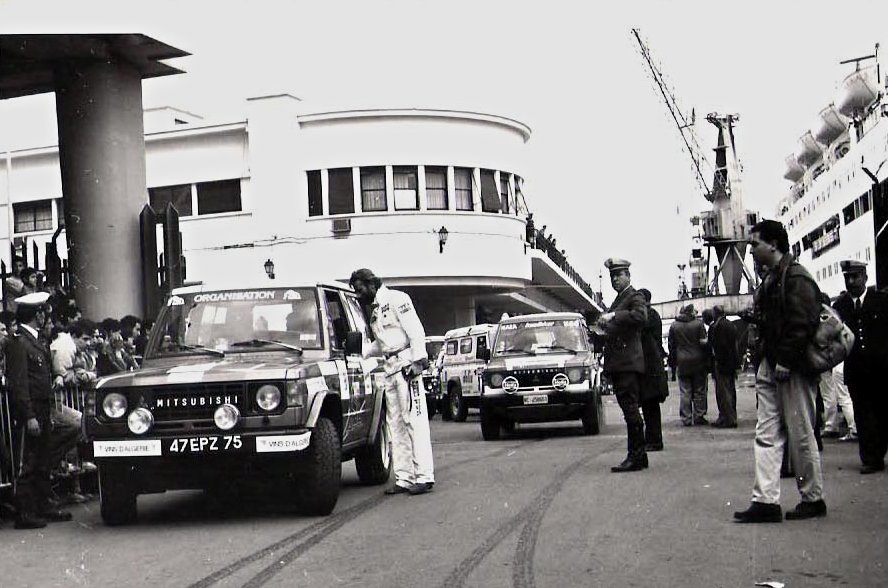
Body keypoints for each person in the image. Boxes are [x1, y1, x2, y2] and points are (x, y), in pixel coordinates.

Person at [734, 219, 825, 523]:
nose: (750, 250)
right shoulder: (777, 277)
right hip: (772, 365)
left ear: (773, 244)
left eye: (754, 244)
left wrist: (785, 359)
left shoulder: (796, 277)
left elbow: (803, 323)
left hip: (790, 367)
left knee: (800, 433)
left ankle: (813, 498)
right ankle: (765, 500)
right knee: (767, 432)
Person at [349, 268, 435, 495]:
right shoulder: (375, 311)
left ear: (371, 284)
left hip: (407, 366)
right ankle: (404, 477)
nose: (358, 295)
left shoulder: (397, 299)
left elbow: (415, 331)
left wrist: (419, 360)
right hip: (390, 369)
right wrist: (362, 352)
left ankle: (424, 476)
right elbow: (382, 342)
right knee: (394, 424)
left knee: (413, 421)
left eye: (360, 290)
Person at [6, 291, 80, 529]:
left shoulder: (37, 341)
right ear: (36, 314)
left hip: (42, 407)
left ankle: (43, 504)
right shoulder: (19, 343)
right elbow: (20, 383)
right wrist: (28, 416)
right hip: (31, 409)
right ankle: (25, 512)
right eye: (43, 312)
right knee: (27, 461)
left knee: (42, 459)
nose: (46, 316)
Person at [832, 260, 888, 474]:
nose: (851, 281)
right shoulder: (840, 307)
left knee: (882, 413)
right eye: (848, 277)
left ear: (865, 277)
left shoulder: (881, 301)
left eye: (855, 276)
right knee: (863, 415)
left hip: (882, 370)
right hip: (856, 371)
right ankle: (870, 458)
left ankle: (879, 450)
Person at [595, 258, 648, 473]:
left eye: (619, 275)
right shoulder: (620, 299)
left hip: (626, 363)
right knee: (630, 409)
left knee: (630, 410)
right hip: (622, 362)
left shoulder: (634, 296)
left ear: (628, 276)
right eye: (612, 276)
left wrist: (613, 315)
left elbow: (640, 316)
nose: (615, 279)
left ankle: (635, 456)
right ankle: (639, 455)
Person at [637, 288, 668, 452]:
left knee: (650, 406)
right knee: (650, 407)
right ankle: (653, 439)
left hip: (650, 368)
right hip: (652, 366)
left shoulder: (648, 316)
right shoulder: (653, 314)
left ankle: (654, 440)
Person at [668, 304, 709, 426]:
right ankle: (699, 415)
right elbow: (704, 342)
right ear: (691, 312)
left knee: (685, 390)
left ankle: (686, 417)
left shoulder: (674, 326)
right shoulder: (698, 324)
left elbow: (671, 345)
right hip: (698, 360)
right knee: (699, 390)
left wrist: (674, 361)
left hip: (682, 361)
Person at [709, 305, 740, 428]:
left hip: (722, 363)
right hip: (731, 363)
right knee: (730, 391)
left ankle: (728, 419)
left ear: (715, 313)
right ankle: (729, 416)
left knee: (724, 392)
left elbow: (720, 346)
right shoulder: (730, 324)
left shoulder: (718, 326)